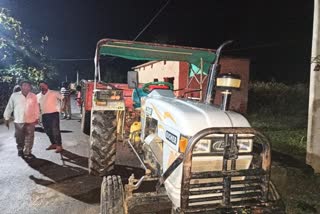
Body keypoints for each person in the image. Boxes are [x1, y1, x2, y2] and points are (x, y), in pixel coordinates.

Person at [3, 80, 39, 159]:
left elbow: (36, 107)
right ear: (21, 86)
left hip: (30, 120)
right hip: (19, 120)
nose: (26, 87)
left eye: (28, 86)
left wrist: (37, 117)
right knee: (19, 137)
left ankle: (28, 151)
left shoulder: (33, 96)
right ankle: (20, 149)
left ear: (30, 87)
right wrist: (6, 118)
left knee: (30, 137)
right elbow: (9, 107)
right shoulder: (14, 95)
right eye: (24, 85)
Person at [37, 81, 63, 153]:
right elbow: (38, 107)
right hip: (44, 115)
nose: (42, 87)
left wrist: (62, 107)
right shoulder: (38, 96)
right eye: (40, 86)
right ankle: (53, 144)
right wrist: (37, 116)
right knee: (47, 131)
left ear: (47, 86)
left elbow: (63, 98)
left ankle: (59, 146)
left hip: (54, 114)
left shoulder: (54, 93)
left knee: (55, 130)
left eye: (44, 85)